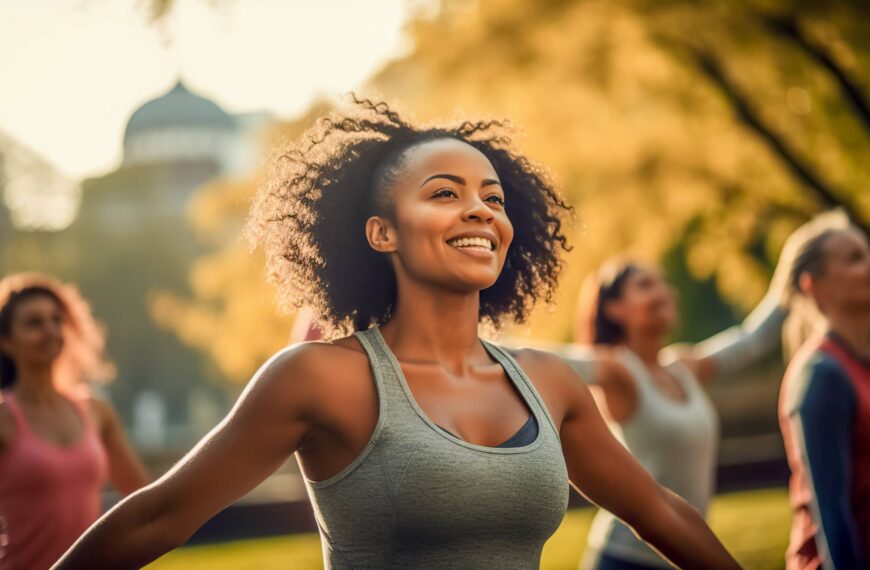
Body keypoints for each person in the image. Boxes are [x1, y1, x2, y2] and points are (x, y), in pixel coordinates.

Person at [54, 97, 739, 569]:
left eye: (492, 199)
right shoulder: (320, 378)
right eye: (445, 193)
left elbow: (659, 513)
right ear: (382, 233)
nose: (478, 210)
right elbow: (156, 518)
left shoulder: (549, 383)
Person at [552, 228, 805, 569]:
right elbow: (551, 363)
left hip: (684, 551)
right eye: (645, 285)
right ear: (613, 308)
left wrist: (795, 262)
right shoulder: (619, 371)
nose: (663, 292)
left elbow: (751, 340)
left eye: (663, 283)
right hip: (624, 559)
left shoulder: (684, 367)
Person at [0, 273, 149, 570]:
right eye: (34, 323)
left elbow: (144, 500)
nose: (50, 331)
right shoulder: (3, 419)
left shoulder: (96, 411)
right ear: (6, 342)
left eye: (56, 320)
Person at [778, 216, 870, 569]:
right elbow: (832, 512)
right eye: (854, 258)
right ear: (815, 286)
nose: (868, 264)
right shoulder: (821, 375)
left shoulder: (859, 361)